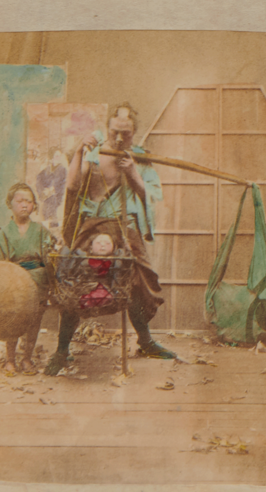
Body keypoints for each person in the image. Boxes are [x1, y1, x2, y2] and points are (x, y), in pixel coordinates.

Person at [45, 102, 176, 376]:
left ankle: (146, 341)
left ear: (134, 134)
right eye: (115, 132)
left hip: (123, 227)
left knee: (139, 280)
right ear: (108, 127)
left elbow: (150, 196)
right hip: (89, 228)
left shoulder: (139, 158)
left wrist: (132, 172)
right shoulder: (92, 151)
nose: (118, 138)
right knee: (73, 277)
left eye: (125, 135)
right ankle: (61, 350)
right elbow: (71, 187)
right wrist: (80, 151)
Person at [0, 183, 56, 374]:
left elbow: (49, 259)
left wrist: (52, 283)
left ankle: (27, 358)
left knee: (34, 321)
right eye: (19, 201)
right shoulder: (3, 233)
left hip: (38, 281)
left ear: (34, 206)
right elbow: (0, 265)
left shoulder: (41, 231)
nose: (24, 205)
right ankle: (10, 359)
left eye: (29, 202)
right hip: (14, 282)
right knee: (12, 320)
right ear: (9, 204)